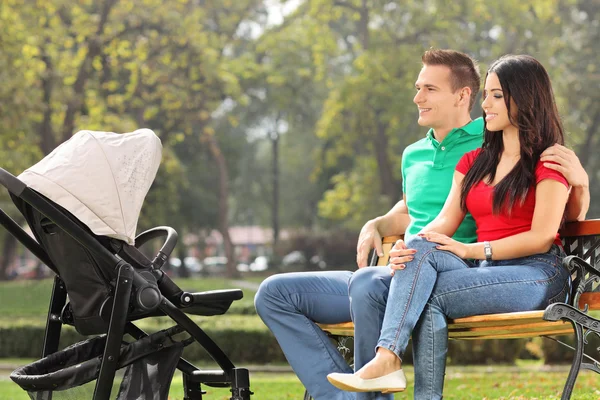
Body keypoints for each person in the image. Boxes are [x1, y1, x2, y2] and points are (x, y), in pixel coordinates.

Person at [254, 50, 589, 400]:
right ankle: (382, 369)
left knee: (410, 290)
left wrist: (470, 248)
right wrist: (406, 245)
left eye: (496, 95)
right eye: (487, 94)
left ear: (526, 98)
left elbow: (543, 235)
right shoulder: (473, 161)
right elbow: (437, 221)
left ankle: (385, 362)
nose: (485, 103)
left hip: (535, 272)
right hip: (479, 271)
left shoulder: (548, 159)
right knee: (415, 271)